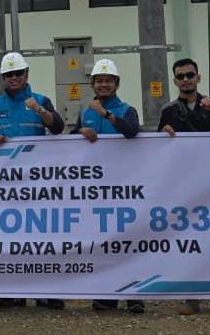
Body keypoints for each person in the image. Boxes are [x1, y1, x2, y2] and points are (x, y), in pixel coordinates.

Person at [0, 51, 66, 310]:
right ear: (3, 78)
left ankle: (45, 291)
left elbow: (58, 127)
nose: (14, 78)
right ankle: (12, 290)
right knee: (9, 238)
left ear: (26, 74)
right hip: (7, 184)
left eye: (18, 73)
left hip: (38, 184)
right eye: (9, 74)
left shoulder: (40, 100)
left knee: (41, 238)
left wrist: (39, 110)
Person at [157, 58, 210, 316]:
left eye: (190, 75)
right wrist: (163, 132)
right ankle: (191, 297)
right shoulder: (169, 111)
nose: (186, 80)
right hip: (184, 185)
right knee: (188, 241)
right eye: (181, 76)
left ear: (198, 77)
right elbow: (157, 148)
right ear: (175, 80)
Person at [72, 59, 144, 314]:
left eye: (108, 81)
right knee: (102, 242)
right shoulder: (85, 113)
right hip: (96, 190)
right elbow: (69, 142)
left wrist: (106, 114)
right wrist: (80, 133)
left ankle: (134, 296)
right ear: (93, 84)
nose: (103, 85)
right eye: (99, 81)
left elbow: (132, 131)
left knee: (127, 242)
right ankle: (107, 295)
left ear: (116, 84)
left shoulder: (127, 109)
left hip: (124, 187)